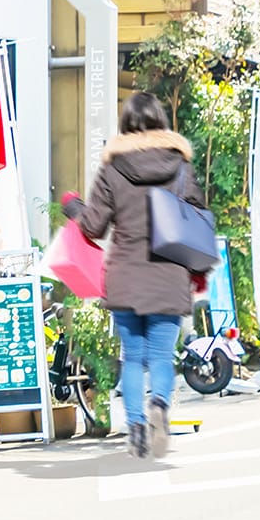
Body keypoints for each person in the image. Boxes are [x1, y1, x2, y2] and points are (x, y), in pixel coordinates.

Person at [74, 92, 204, 461]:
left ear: (126, 125)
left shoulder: (113, 169)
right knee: (161, 357)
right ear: (161, 121)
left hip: (126, 276)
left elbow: (94, 226)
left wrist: (73, 207)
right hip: (169, 274)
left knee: (132, 358)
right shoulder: (180, 168)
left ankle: (135, 428)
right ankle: (159, 405)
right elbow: (197, 218)